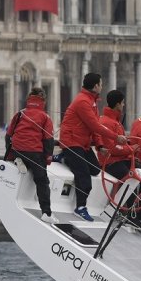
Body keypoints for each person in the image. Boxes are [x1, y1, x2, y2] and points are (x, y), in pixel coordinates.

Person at [59, 72, 104, 222]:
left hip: (82, 143)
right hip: (72, 142)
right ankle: (80, 207)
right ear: (96, 86)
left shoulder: (92, 101)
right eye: (101, 84)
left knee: (95, 169)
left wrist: (100, 145)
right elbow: (96, 126)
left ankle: (64, 158)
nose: (102, 86)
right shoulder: (83, 102)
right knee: (83, 174)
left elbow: (94, 126)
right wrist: (116, 137)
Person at [6, 87, 57, 220]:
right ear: (43, 100)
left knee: (26, 160)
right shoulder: (45, 117)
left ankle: (18, 159)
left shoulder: (20, 114)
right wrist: (48, 158)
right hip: (34, 151)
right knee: (42, 181)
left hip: (18, 149)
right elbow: (48, 140)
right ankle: (46, 213)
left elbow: (8, 135)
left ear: (29, 99)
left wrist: (11, 154)